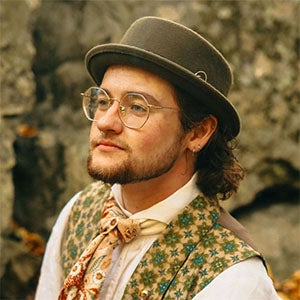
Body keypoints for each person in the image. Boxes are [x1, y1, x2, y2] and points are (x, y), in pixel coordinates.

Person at [35, 16, 280, 300]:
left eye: (137, 107)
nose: (106, 122)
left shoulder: (234, 278)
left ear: (198, 132)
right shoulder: (79, 212)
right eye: (103, 101)